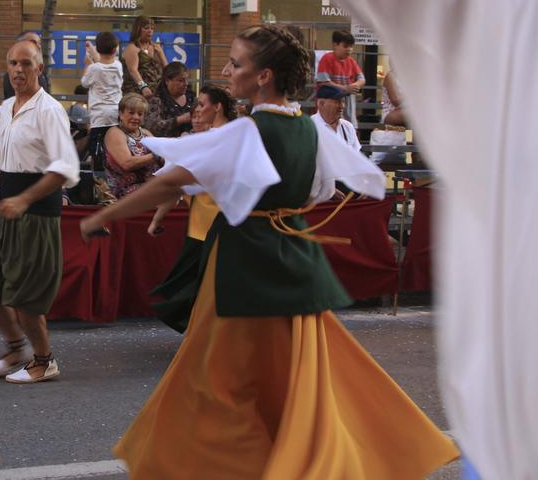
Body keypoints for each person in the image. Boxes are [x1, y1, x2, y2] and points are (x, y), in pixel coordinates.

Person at [170, 0, 537, 476]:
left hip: (264, 260)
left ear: (262, 77)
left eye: (236, 66)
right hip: (505, 429)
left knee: (246, 373)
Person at [80, 25, 457, 478]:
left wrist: (103, 217)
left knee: (220, 379)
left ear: (263, 77)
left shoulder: (248, 131)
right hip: (294, 261)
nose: (227, 70)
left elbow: (170, 178)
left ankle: (233, 464)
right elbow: (321, 192)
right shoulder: (308, 130)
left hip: (246, 263)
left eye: (237, 64)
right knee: (300, 378)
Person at [0, 39, 80, 384]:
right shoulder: (4, 109)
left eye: (26, 64)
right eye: (13, 64)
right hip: (7, 210)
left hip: (35, 214)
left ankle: (44, 361)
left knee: (26, 299)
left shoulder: (49, 111)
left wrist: (24, 200)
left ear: (40, 69)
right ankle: (17, 348)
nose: (19, 70)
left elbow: (65, 170)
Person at [146, 85, 237, 333]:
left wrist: (156, 218)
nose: (195, 112)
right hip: (214, 225)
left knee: (202, 286)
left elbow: (173, 183)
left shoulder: (212, 141)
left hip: (213, 227)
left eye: (202, 106)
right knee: (206, 285)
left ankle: (210, 333)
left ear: (217, 107)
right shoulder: (231, 137)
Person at [103, 93, 161, 200]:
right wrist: (156, 155)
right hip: (125, 191)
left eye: (140, 114)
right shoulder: (115, 133)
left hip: (150, 185)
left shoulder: (146, 133)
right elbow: (127, 163)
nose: (135, 117)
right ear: (121, 113)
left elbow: (162, 153)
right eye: (131, 113)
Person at [80, 31, 123, 166]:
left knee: (98, 152)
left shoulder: (94, 68)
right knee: (114, 151)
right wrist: (93, 51)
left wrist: (87, 64)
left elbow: (84, 83)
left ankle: (100, 181)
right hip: (116, 113)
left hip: (99, 117)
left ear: (98, 49)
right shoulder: (118, 65)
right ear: (115, 50)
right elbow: (104, 64)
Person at [315, 30, 365, 126]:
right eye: (345, 46)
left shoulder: (351, 61)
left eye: (351, 46)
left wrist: (354, 85)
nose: (349, 49)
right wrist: (345, 88)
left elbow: (362, 79)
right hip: (330, 103)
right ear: (335, 45)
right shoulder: (327, 59)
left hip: (348, 104)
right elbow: (323, 82)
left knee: (348, 127)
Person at [144, 61, 195, 138]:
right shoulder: (157, 100)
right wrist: (179, 120)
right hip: (165, 145)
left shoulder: (192, 99)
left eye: (186, 80)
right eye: (180, 80)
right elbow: (152, 127)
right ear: (167, 81)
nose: (186, 83)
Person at [121, 16, 167, 97]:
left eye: (152, 28)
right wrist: (143, 87)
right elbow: (133, 70)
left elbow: (167, 68)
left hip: (155, 92)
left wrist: (160, 53)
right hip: (136, 93)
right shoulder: (132, 48)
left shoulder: (156, 47)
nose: (150, 31)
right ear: (138, 30)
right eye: (146, 28)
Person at [310, 84, 361, 151]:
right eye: (337, 102)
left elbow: (356, 155)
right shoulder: (310, 127)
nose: (342, 106)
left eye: (343, 101)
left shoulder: (347, 127)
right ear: (321, 104)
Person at [2, 32, 50, 99]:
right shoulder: (13, 76)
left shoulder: (42, 73)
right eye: (33, 42)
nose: (38, 46)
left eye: (39, 43)